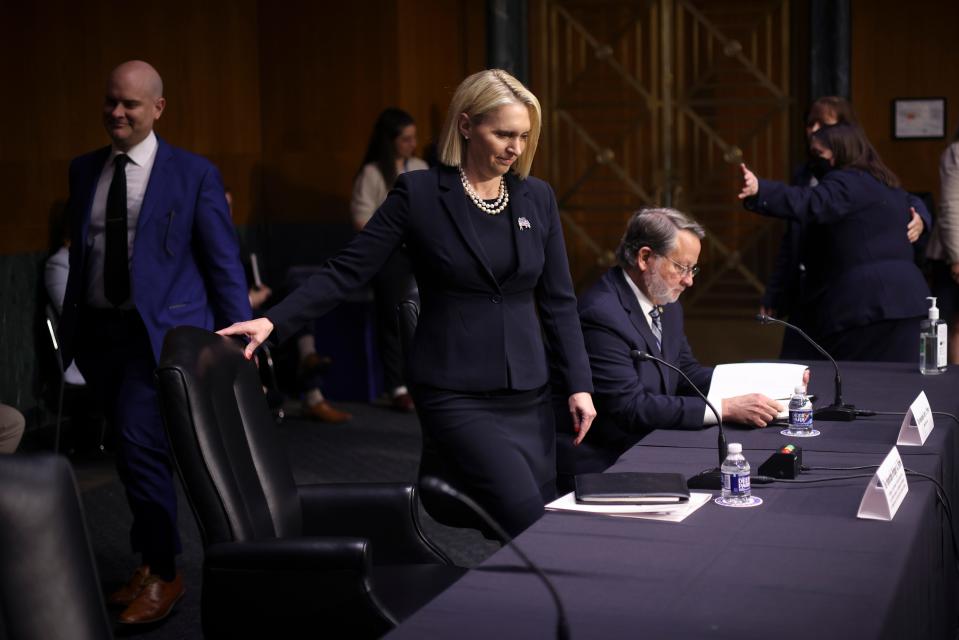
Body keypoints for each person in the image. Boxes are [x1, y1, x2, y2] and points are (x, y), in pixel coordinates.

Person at [220, 69, 596, 536]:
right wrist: (273, 322)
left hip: (529, 394)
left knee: (522, 521)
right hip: (455, 392)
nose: (515, 148)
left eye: (523, 135)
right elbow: (348, 268)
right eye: (502, 133)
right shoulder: (420, 194)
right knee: (529, 520)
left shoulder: (537, 197)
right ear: (465, 125)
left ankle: (504, 606)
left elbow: (559, 301)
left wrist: (579, 383)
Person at [58, 60, 251, 624]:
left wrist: (239, 335)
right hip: (99, 335)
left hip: (162, 339)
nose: (116, 113)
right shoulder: (82, 169)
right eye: (110, 102)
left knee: (143, 447)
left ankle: (166, 572)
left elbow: (222, 261)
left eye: (131, 105)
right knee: (128, 452)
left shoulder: (193, 174)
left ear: (158, 109)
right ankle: (149, 559)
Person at [556, 208, 784, 485]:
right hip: (606, 462)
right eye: (681, 267)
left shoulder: (665, 302)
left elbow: (685, 372)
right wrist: (723, 408)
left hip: (650, 444)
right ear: (644, 257)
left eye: (693, 269)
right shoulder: (601, 313)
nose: (689, 280)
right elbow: (629, 406)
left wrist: (767, 385)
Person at [739, 123, 930, 361]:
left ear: (839, 152)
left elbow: (811, 202)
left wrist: (761, 190)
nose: (813, 161)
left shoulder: (846, 182)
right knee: (898, 388)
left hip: (866, 308)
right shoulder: (888, 185)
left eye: (819, 154)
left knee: (856, 386)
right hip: (909, 303)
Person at [351, 108, 429, 412]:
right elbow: (361, 220)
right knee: (394, 314)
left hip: (420, 250)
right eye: (406, 139)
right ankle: (397, 385)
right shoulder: (372, 173)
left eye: (414, 138)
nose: (413, 143)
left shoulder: (421, 166)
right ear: (391, 141)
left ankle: (425, 379)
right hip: (389, 253)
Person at [927, 130, 959, 364]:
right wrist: (957, 256)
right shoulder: (956, 153)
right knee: (946, 328)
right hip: (952, 256)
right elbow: (951, 206)